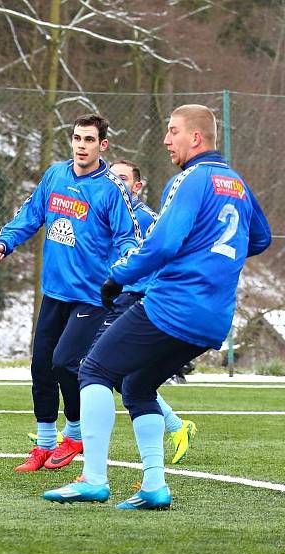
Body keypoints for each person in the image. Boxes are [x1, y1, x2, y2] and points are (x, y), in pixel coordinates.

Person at [45, 104, 271, 509]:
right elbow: (260, 238)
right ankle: (154, 486)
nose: (167, 140)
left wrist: (119, 277)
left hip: (174, 305)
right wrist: (216, 259)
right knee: (137, 385)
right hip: (214, 318)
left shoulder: (190, 179)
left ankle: (93, 478)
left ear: (195, 138)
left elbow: (163, 243)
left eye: (173, 132)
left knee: (93, 368)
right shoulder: (235, 182)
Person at [0, 114, 140, 472]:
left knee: (64, 363)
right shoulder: (55, 174)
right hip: (55, 291)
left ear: (103, 145)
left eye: (88, 140)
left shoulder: (111, 189)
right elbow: (30, 213)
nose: (81, 146)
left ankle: (75, 432)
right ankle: (42, 444)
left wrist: (121, 273)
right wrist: (5, 242)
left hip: (91, 295)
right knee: (41, 366)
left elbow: (128, 239)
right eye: (76, 138)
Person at [107, 159, 197, 464]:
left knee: (98, 365)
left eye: (122, 178)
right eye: (112, 177)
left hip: (135, 295)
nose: (115, 183)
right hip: (113, 292)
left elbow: (162, 251)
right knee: (98, 366)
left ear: (137, 185)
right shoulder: (107, 208)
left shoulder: (147, 218)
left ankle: (72, 435)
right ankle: (176, 425)